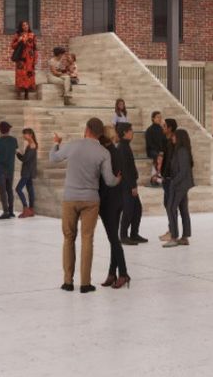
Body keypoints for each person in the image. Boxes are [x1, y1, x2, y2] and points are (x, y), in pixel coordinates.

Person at [48, 118, 118, 290]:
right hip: (91, 200)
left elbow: (53, 158)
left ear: (87, 129)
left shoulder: (73, 145)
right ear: (100, 133)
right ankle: (85, 284)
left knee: (68, 238)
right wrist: (119, 179)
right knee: (87, 240)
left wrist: (56, 143)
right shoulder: (104, 152)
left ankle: (68, 282)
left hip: (70, 198)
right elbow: (109, 181)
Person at [98, 123, 136, 289]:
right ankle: (112, 273)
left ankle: (124, 273)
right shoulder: (114, 150)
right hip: (116, 199)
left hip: (109, 201)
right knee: (113, 238)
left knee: (113, 239)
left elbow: (107, 179)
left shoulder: (107, 153)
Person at [160, 127, 194, 247]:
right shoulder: (180, 150)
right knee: (183, 210)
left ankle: (174, 237)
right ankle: (184, 237)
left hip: (179, 185)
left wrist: (173, 182)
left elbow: (183, 171)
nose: (172, 138)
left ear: (180, 138)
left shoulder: (182, 151)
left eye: (174, 136)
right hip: (181, 184)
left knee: (171, 208)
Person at [117, 123, 146, 243]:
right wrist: (133, 186)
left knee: (137, 209)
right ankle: (123, 236)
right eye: (131, 130)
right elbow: (125, 170)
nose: (132, 132)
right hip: (126, 185)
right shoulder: (122, 148)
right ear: (125, 132)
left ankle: (134, 234)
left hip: (128, 184)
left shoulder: (125, 146)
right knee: (128, 210)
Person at [0, 121, 19, 220]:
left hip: (0, 169)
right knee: (9, 190)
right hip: (10, 169)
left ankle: (5, 212)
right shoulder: (14, 140)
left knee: (2, 191)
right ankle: (11, 211)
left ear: (0, 130)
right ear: (9, 129)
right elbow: (15, 151)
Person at [10, 20, 39, 99]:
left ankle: (26, 93)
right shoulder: (17, 35)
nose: (25, 26)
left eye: (27, 25)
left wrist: (36, 58)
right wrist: (18, 41)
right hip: (20, 57)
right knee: (20, 74)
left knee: (28, 74)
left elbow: (35, 48)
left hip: (30, 58)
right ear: (21, 27)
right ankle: (19, 91)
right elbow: (12, 46)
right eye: (23, 25)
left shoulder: (32, 35)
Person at [16, 127, 40, 218]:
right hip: (29, 171)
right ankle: (31, 209)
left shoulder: (32, 145)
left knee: (18, 189)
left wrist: (17, 153)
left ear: (30, 135)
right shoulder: (31, 144)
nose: (23, 136)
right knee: (30, 189)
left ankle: (26, 209)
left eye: (25, 134)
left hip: (27, 171)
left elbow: (25, 159)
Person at [144, 111, 168, 184]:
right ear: (153, 118)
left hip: (161, 151)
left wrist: (163, 150)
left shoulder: (162, 129)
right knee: (158, 156)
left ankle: (159, 177)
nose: (159, 119)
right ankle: (156, 177)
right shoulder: (149, 130)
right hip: (152, 150)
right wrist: (159, 151)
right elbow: (150, 144)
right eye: (157, 117)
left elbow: (165, 142)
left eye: (160, 117)